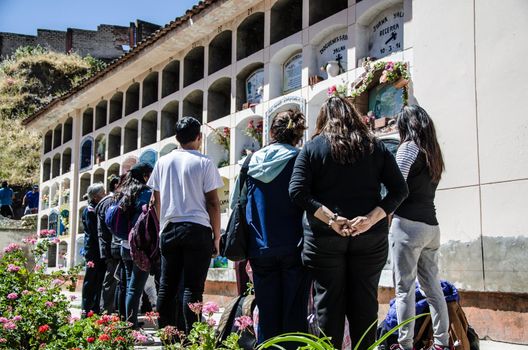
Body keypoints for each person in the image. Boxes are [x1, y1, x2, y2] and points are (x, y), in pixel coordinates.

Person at [289, 96, 408, 349]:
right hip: (370, 239)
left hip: (323, 240)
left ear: (323, 118)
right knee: (365, 305)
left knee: (328, 305)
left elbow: (297, 191)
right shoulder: (375, 147)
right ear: (354, 116)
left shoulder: (312, 148)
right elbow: (400, 190)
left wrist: (331, 219)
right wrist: (371, 219)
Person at [231, 110, 311, 346]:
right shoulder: (301, 159)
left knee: (266, 313)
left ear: (272, 132)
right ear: (297, 134)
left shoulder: (250, 161)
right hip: (295, 247)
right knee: (294, 314)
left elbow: (238, 201)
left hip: (259, 248)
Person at [147, 116, 223, 332]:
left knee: (167, 288)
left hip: (169, 229)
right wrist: (216, 237)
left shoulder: (162, 162)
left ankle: (168, 337)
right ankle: (192, 338)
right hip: (197, 230)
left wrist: (163, 227)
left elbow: (156, 201)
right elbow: (213, 203)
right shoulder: (204, 162)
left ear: (177, 138)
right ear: (199, 137)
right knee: (192, 288)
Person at [390, 105, 450, 350]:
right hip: (431, 228)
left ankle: (405, 345)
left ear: (405, 125)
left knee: (404, 289)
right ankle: (442, 344)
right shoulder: (433, 153)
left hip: (407, 227)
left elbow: (396, 187)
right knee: (433, 287)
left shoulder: (407, 148)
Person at [114, 163, 153, 328]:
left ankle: (128, 321)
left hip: (124, 245)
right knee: (135, 288)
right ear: (145, 176)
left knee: (130, 285)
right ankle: (131, 324)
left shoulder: (122, 193)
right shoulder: (145, 193)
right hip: (139, 246)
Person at [95, 175, 121, 315]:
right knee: (111, 280)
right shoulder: (110, 202)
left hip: (109, 246)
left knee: (112, 279)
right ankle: (106, 311)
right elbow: (110, 227)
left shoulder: (108, 201)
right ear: (116, 186)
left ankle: (108, 310)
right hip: (112, 247)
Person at [81, 183, 107, 315]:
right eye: (103, 193)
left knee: (98, 280)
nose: (105, 195)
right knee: (90, 280)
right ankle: (86, 307)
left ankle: (95, 308)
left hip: (98, 250)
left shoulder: (96, 208)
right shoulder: (90, 211)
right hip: (93, 250)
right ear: (96, 197)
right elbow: (94, 232)